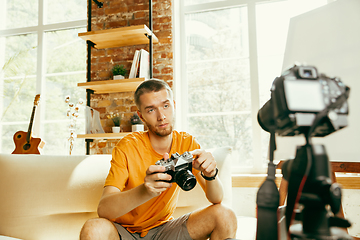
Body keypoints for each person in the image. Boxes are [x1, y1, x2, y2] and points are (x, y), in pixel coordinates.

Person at [80, 79, 237, 240]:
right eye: (151, 110)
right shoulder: (128, 146)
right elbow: (104, 209)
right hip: (124, 233)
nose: (161, 116)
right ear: (141, 116)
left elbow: (216, 198)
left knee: (224, 216)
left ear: (174, 106)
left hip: (164, 231)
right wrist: (146, 190)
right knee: (94, 228)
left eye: (166, 106)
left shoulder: (187, 143)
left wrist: (211, 174)